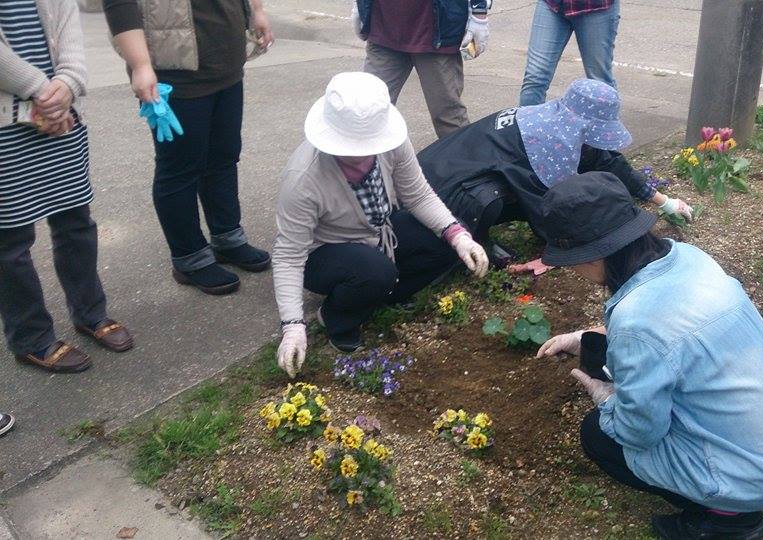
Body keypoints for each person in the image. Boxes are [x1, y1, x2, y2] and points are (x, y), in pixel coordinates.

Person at [535, 172, 763, 539]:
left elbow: (640, 433)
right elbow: (671, 330)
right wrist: (583, 337)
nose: (571, 268)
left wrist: (606, 401)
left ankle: (725, 520)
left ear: (593, 256)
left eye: (571, 258)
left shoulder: (637, 323)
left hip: (753, 478)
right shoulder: (687, 257)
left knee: (598, 436)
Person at [273, 72, 488, 377]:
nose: (362, 155)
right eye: (350, 146)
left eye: (367, 144)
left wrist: (458, 236)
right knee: (374, 271)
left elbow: (418, 194)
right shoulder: (303, 179)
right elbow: (289, 256)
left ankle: (376, 293)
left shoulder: (392, 142)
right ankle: (335, 315)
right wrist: (293, 326)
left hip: (377, 234)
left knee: (449, 238)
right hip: (324, 253)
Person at [417, 78, 691, 273]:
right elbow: (544, 201)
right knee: (487, 199)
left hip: (465, 168)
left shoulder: (563, 123)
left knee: (499, 191)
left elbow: (609, 161)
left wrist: (663, 201)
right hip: (439, 187)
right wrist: (557, 252)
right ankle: (474, 240)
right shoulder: (545, 142)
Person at [104, 0, 275, 295]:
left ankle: (227, 237)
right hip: (175, 71)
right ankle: (189, 257)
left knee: (223, 156)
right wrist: (141, 65)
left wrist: (257, 10)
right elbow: (119, 4)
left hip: (226, 60)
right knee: (180, 168)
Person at [1, 0, 133, 373]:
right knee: (10, 243)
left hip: (61, 115)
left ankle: (90, 312)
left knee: (76, 222)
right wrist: (43, 90)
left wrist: (66, 87)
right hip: (7, 124)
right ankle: (30, 336)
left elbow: (72, 40)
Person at [351, 0, 491, 138]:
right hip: (384, 26)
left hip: (437, 33)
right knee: (368, 110)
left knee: (447, 117)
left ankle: (464, 159)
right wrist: (359, 5)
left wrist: (479, 14)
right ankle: (373, 160)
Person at [519, 0, 620, 106]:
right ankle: (528, 121)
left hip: (596, 7)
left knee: (600, 83)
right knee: (535, 77)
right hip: (552, 4)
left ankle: (604, 122)